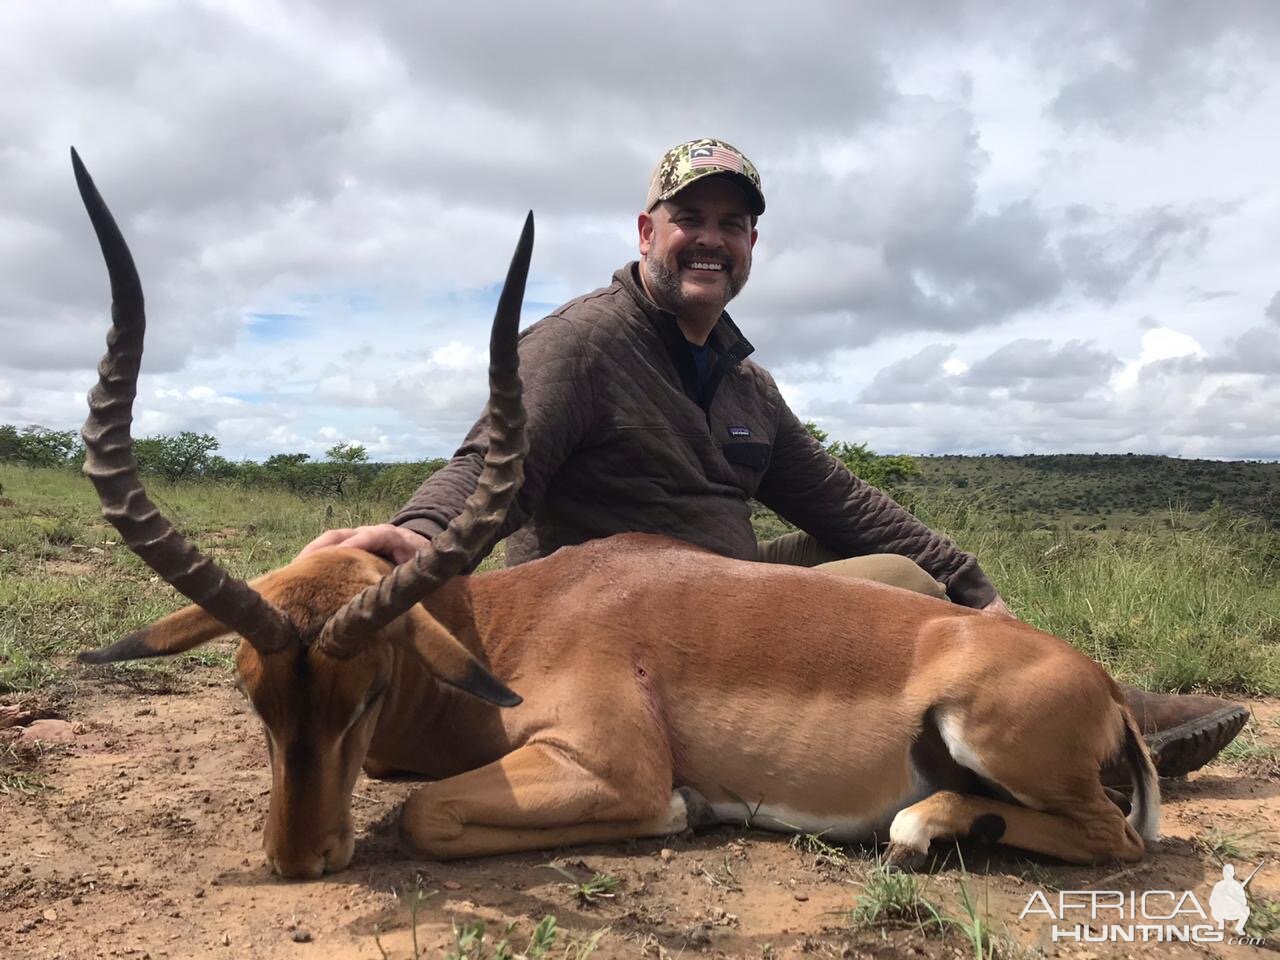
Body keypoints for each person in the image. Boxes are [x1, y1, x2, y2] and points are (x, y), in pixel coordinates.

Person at [301, 137, 1248, 777]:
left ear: (752, 243)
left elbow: (838, 499)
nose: (710, 238)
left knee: (910, 567)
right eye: (690, 218)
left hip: (728, 586)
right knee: (893, 587)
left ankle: (1071, 712)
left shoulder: (745, 380)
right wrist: (416, 535)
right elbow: (490, 469)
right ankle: (1108, 729)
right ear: (647, 233)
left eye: (732, 223)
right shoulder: (580, 346)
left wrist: (972, 582)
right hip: (606, 626)